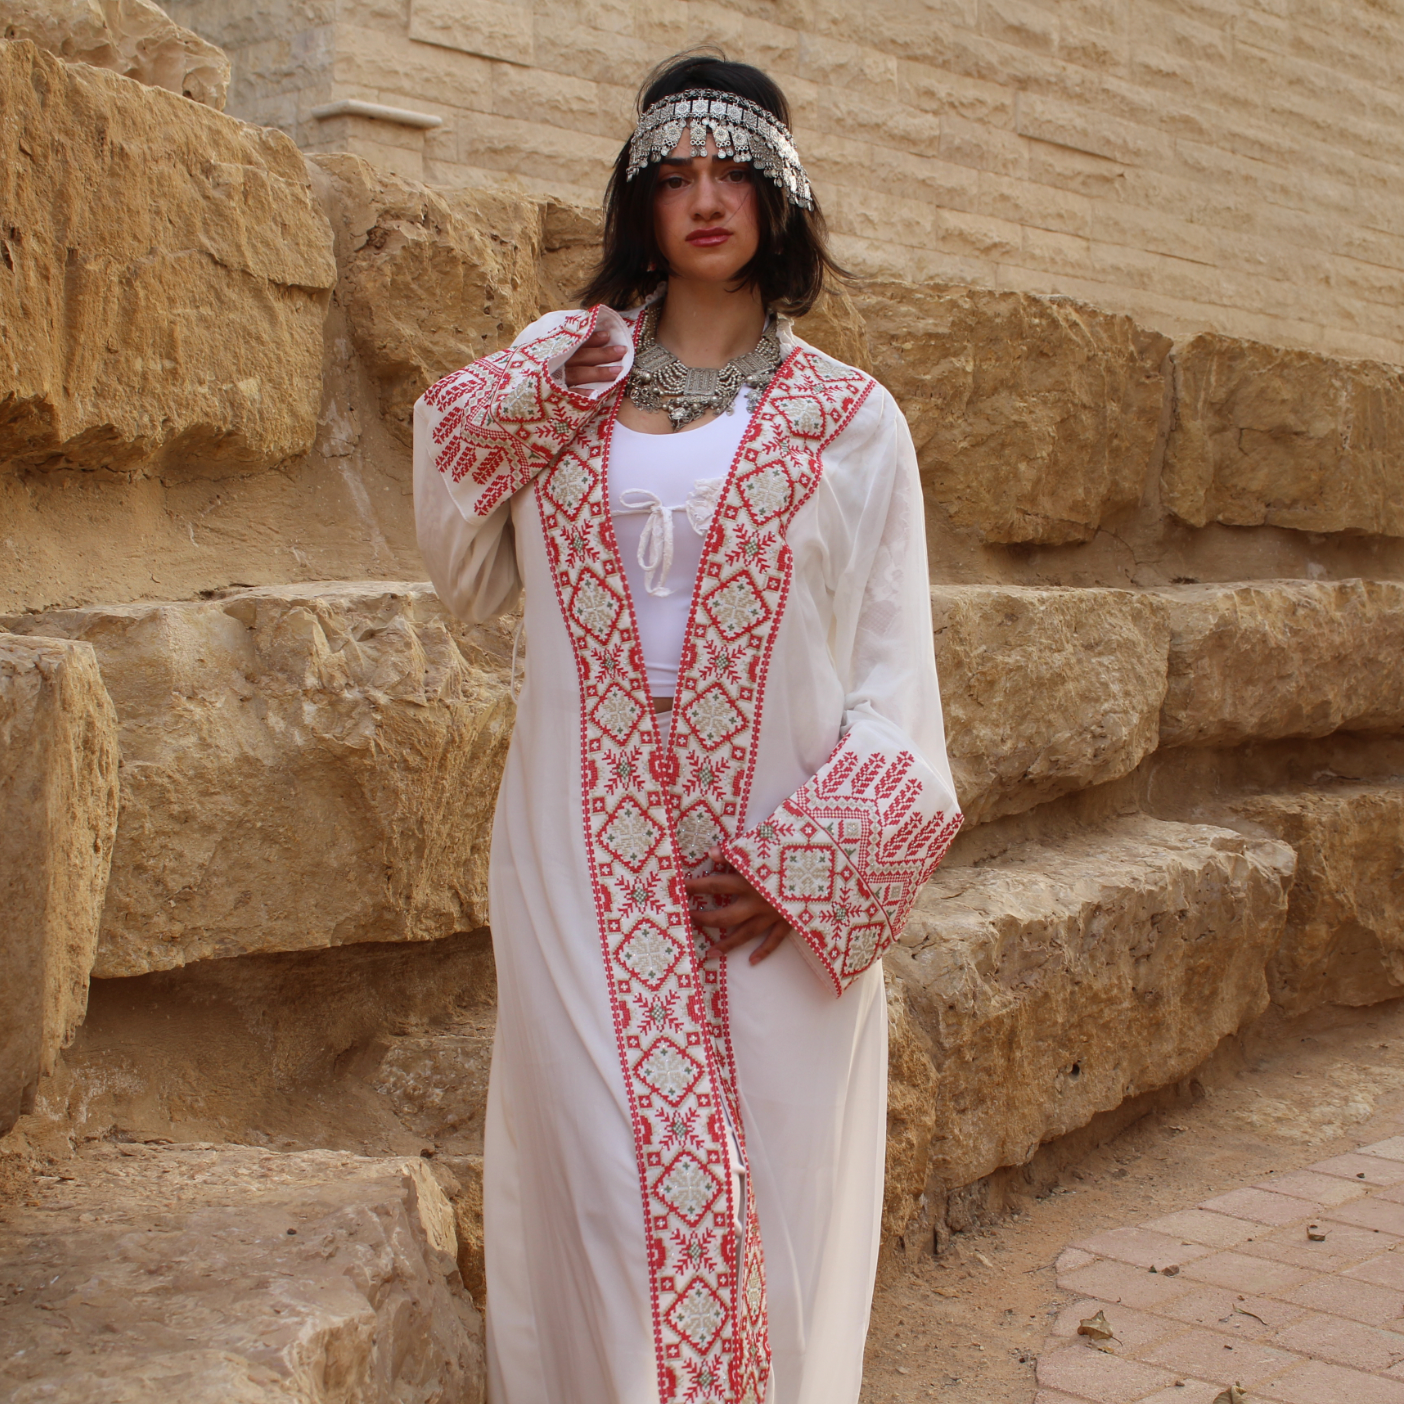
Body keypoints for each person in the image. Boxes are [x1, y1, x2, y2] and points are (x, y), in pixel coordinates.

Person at [414, 50, 963, 1404]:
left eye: (735, 172)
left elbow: (901, 683)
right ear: (639, 205)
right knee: (606, 1185)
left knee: (766, 1201)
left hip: (768, 875)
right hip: (576, 860)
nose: (706, 199)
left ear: (781, 197)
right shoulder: (573, 393)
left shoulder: (853, 423)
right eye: (674, 178)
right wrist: (557, 354)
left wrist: (806, 867)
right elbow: (457, 561)